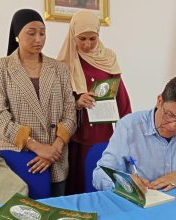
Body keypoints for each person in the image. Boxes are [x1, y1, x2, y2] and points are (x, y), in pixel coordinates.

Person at [0, 9, 76, 197]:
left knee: (56, 211)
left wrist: (54, 149)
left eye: (42, 33)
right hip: (17, 157)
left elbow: (70, 111)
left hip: (56, 160)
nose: (38, 39)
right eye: (31, 33)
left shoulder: (59, 69)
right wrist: (37, 146)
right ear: (17, 35)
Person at [57, 10, 132, 195]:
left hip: (103, 133)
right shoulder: (64, 62)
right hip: (76, 134)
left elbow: (121, 96)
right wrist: (76, 100)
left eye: (93, 38)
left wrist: (129, 131)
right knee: (77, 184)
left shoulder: (108, 58)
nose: (88, 44)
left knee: (102, 181)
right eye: (82, 39)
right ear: (73, 34)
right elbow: (55, 99)